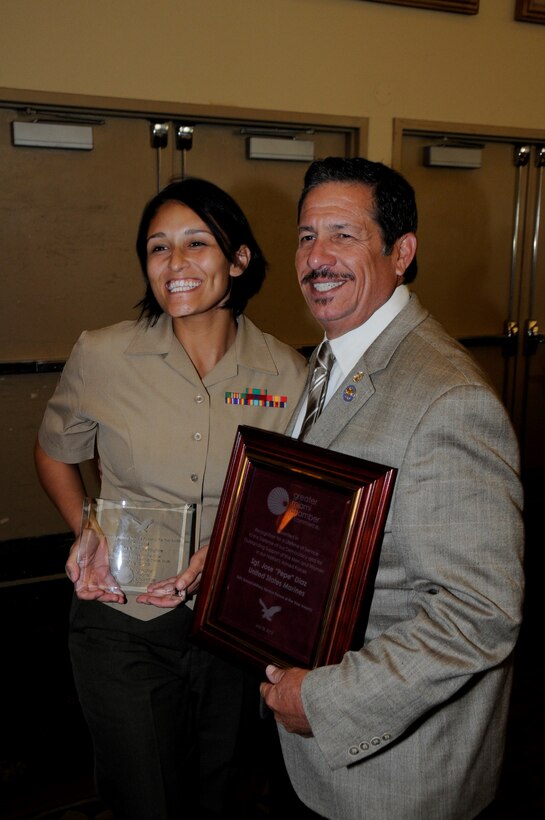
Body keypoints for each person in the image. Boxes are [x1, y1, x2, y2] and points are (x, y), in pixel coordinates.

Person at [256, 157, 525, 819]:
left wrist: (322, 702)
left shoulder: (446, 399)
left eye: (343, 235)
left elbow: (479, 614)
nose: (316, 257)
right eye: (305, 236)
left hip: (397, 776)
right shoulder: (333, 355)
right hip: (319, 755)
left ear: (400, 252)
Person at [34, 176, 307, 820]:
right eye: (158, 249)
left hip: (233, 621)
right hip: (122, 616)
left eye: (197, 244)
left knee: (219, 787)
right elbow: (55, 451)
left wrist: (235, 547)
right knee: (146, 795)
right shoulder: (104, 354)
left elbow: (295, 500)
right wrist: (86, 528)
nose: (175, 264)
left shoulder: (287, 373)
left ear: (239, 260)